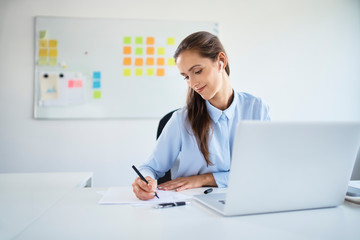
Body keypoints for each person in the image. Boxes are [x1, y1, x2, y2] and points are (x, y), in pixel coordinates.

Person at [132, 31, 270, 200]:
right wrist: (144, 180)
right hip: (192, 206)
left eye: (197, 71)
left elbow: (264, 170)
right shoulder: (181, 120)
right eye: (186, 77)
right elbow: (150, 167)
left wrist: (204, 179)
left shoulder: (257, 109)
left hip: (247, 200)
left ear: (221, 61)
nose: (192, 83)